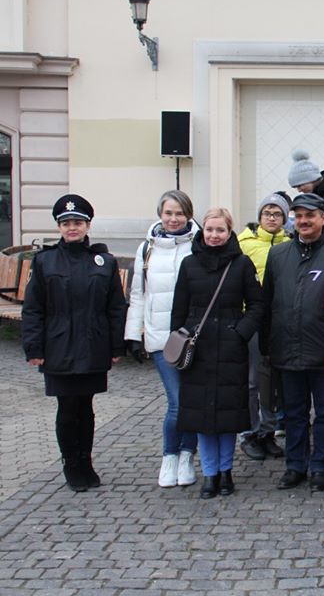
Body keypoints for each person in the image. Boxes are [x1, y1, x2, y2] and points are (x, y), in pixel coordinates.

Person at [22, 194, 127, 492]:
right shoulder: (45, 261)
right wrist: (34, 347)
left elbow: (116, 307)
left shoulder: (104, 261)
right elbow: (33, 308)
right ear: (59, 227)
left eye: (77, 223)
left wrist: (116, 346)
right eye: (66, 223)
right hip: (59, 346)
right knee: (67, 408)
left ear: (88, 225)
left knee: (86, 407)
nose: (72, 228)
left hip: (93, 345)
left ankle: (86, 461)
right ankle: (71, 463)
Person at [261, 192, 324, 492]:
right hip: (286, 349)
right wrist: (266, 345)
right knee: (294, 413)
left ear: (323, 218)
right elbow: (267, 302)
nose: (303, 221)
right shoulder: (278, 255)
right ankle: (295, 466)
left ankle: (320, 466)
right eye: (298, 215)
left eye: (309, 215)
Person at [171, 208, 264, 498]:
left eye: (220, 230)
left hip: (230, 349)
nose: (214, 235)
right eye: (209, 229)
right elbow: (179, 308)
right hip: (198, 349)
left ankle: (226, 471)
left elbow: (258, 305)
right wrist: (178, 341)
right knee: (202, 417)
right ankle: (209, 474)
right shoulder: (189, 264)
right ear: (203, 231)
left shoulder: (242, 263)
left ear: (229, 231)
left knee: (227, 417)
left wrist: (240, 332)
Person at [124, 189, 200, 488]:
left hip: (192, 337)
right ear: (160, 214)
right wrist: (133, 334)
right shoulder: (147, 248)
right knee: (177, 402)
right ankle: (170, 456)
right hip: (160, 336)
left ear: (188, 215)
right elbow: (138, 294)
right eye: (168, 213)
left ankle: (187, 456)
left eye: (179, 213)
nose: (173, 219)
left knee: (192, 402)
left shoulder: (198, 244)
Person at [236, 193, 291, 461]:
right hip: (252, 320)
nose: (271, 218)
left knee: (272, 382)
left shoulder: (290, 244)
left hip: (279, 321)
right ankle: (250, 432)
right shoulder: (244, 244)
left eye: (277, 214)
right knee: (251, 381)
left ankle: (268, 431)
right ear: (259, 217)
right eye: (267, 213)